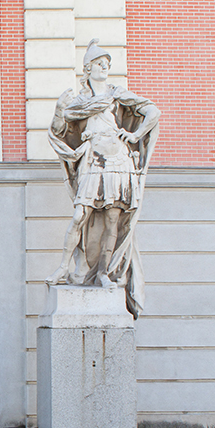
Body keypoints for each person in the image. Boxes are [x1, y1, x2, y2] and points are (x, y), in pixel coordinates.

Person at [46, 39, 160, 318]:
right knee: (80, 215)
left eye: (107, 64)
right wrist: (61, 110)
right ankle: (64, 267)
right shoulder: (79, 100)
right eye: (99, 64)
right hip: (92, 158)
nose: (104, 68)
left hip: (118, 159)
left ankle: (103, 273)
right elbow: (60, 128)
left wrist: (133, 136)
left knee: (113, 219)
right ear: (87, 69)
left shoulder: (116, 93)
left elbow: (153, 112)